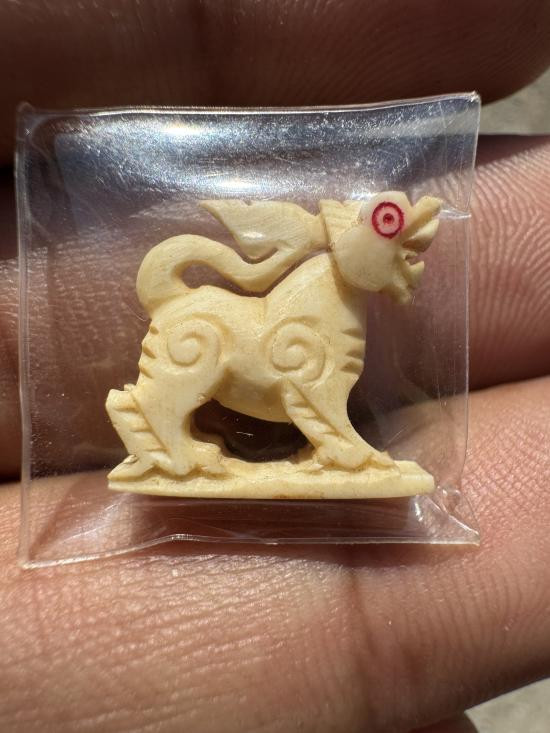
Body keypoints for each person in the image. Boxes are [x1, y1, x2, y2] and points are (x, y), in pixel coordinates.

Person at [0, 2, 549, 731]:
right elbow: (313, 402)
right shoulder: (281, 322)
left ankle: (168, 430)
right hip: (208, 334)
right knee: (194, 381)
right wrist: (348, 448)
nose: (407, 269)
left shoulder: (326, 312)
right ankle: (156, 428)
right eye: (395, 254)